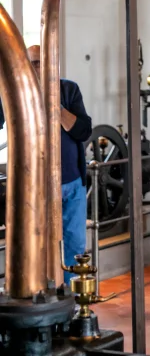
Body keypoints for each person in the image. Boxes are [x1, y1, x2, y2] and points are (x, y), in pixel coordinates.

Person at [0, 45, 93, 285]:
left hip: (72, 185)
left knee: (74, 245)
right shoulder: (17, 91)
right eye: (31, 63)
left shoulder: (69, 89)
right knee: (36, 243)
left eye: (40, 63)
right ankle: (40, 296)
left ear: (53, 64)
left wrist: (56, 107)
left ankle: (72, 302)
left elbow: (84, 131)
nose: (36, 68)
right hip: (35, 186)